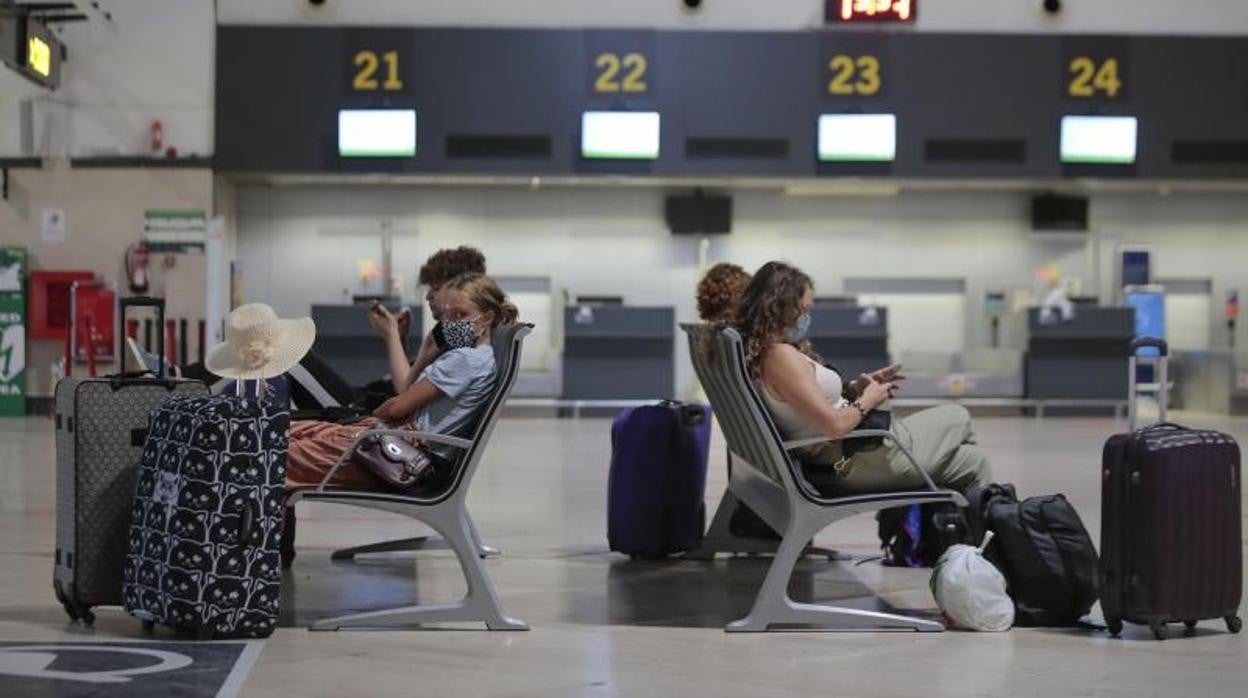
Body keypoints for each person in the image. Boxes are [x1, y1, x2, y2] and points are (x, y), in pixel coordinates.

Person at [735, 261, 991, 496]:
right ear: (782, 306)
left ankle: (961, 539)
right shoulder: (781, 357)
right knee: (958, 416)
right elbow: (833, 427)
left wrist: (853, 389)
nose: (806, 318)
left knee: (973, 460)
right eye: (804, 309)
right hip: (850, 462)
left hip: (848, 455)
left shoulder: (765, 353)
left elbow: (805, 406)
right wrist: (869, 399)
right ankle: (982, 536)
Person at [285, 271, 517, 492]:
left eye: (460, 315)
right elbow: (403, 397)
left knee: (276, 454)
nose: (451, 323)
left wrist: (380, 411)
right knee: (285, 433)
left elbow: (396, 406)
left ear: (487, 317)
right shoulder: (477, 358)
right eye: (447, 316)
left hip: (396, 452)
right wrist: (426, 353)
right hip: (394, 440)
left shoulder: (466, 359)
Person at [367, 245, 487, 395]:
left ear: (462, 289)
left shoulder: (464, 339)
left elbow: (406, 393)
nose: (428, 296)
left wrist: (391, 336)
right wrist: (399, 339)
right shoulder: (452, 332)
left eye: (436, 288)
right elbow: (415, 375)